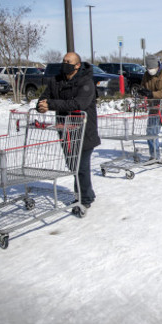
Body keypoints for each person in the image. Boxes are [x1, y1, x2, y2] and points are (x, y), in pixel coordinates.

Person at [37, 52, 100, 209]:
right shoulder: (55, 81)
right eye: (63, 61)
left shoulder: (86, 82)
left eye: (68, 62)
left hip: (84, 130)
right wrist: (42, 106)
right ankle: (88, 193)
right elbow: (44, 98)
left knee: (81, 166)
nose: (64, 64)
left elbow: (77, 104)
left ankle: (84, 199)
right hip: (65, 130)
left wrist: (51, 104)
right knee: (72, 165)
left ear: (77, 65)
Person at [139, 55, 162, 163]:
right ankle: (154, 154)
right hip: (154, 107)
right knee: (151, 131)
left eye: (152, 68)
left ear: (157, 66)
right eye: (148, 69)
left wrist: (152, 94)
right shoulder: (146, 75)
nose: (150, 71)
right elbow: (143, 86)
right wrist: (142, 92)